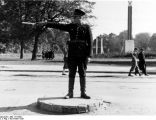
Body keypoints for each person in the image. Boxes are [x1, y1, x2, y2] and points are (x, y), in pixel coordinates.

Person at [41, 9, 93, 99]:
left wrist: (89, 56)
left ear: (80, 17)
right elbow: (58, 26)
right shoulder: (70, 26)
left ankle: (83, 93)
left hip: (82, 54)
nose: (73, 19)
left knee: (82, 73)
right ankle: (70, 93)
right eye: (74, 17)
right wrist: (46, 23)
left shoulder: (86, 27)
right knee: (71, 73)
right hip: (72, 53)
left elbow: (90, 42)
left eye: (75, 17)